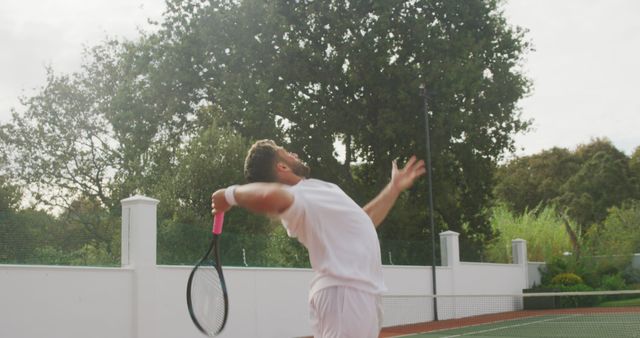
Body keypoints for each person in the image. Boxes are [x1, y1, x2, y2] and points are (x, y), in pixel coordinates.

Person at [210, 139, 426, 338]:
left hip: (353, 294)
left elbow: (363, 221)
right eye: (286, 153)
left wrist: (393, 188)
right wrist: (228, 195)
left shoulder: (313, 191)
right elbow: (269, 196)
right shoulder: (297, 196)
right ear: (282, 167)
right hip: (346, 294)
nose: (294, 153)